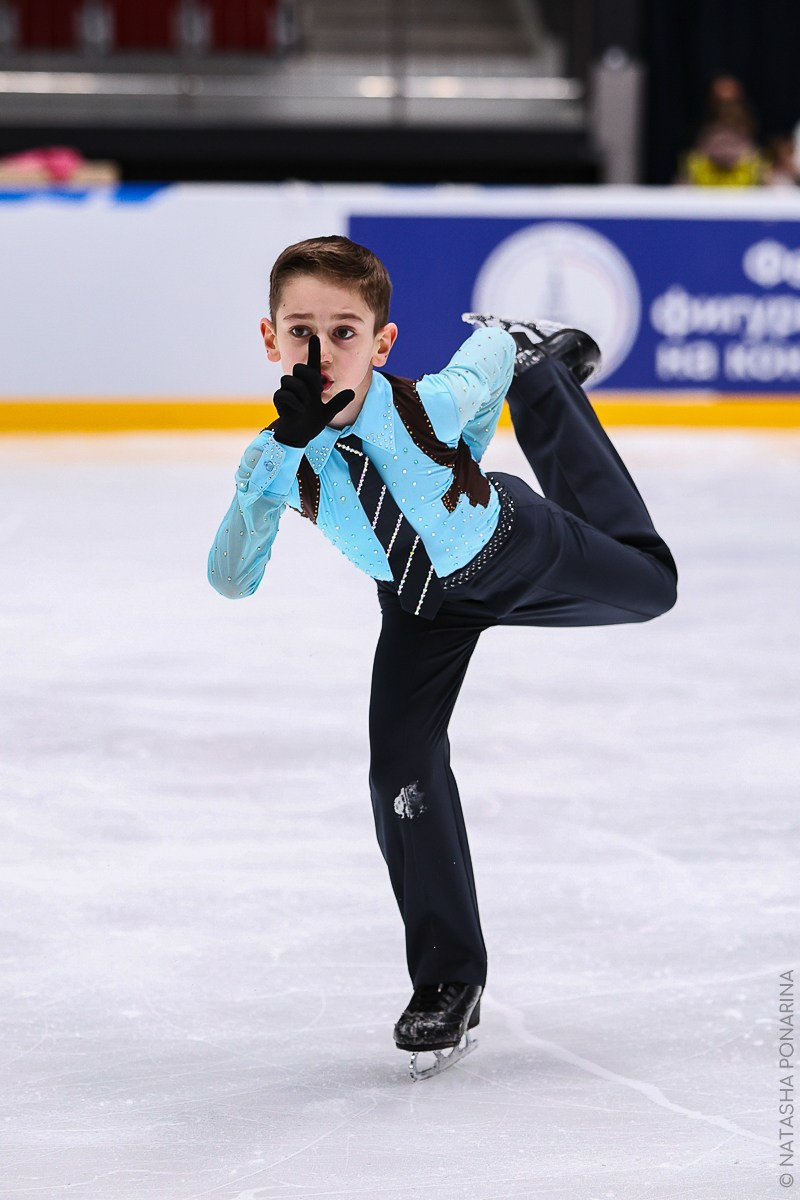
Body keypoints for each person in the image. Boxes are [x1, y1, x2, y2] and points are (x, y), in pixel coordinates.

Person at [208, 236, 677, 1078]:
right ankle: (448, 983)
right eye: (301, 332)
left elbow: (483, 358)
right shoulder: (275, 458)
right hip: (421, 608)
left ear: (380, 344)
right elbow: (231, 581)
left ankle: (552, 380)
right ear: (271, 340)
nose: (321, 353)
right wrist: (276, 457)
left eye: (344, 332)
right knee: (400, 771)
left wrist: (515, 355)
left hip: (513, 546)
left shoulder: (424, 406)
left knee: (651, 584)